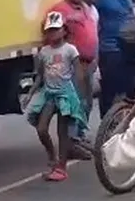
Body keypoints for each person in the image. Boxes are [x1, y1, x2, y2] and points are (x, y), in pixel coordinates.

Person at [24, 11, 88, 182]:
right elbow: (39, 76)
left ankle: (61, 167)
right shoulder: (43, 52)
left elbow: (79, 74)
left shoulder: (70, 50)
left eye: (57, 29)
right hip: (49, 94)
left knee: (62, 132)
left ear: (64, 31)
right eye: (50, 30)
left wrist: (79, 96)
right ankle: (52, 157)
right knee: (41, 128)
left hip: (65, 94)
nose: (54, 33)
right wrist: (30, 94)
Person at [47, 0, 97, 159]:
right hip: (70, 65)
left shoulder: (85, 9)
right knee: (71, 104)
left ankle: (77, 138)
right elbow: (50, 36)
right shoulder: (58, 10)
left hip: (88, 63)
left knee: (85, 102)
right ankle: (69, 144)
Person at [96, 0, 135, 118]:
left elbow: (131, 19)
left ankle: (128, 123)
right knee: (108, 90)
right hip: (107, 49)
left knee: (130, 90)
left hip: (126, 49)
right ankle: (105, 124)